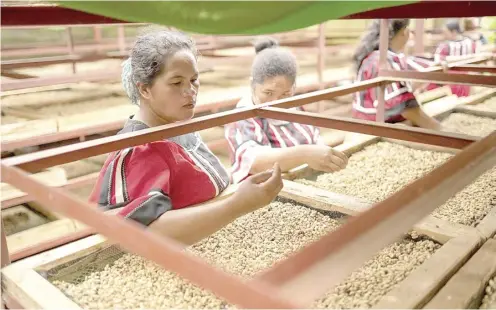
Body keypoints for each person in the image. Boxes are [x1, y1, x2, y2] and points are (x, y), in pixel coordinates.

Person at [89, 28, 283, 246]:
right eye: (176, 82)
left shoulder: (177, 126)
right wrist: (236, 205)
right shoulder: (139, 149)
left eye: (194, 79)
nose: (190, 90)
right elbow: (149, 232)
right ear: (144, 89)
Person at [224, 37, 348, 184]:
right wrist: (305, 154)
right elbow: (255, 162)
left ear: (294, 88)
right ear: (252, 85)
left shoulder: (296, 108)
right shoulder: (243, 117)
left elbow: (315, 139)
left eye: (285, 94)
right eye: (268, 93)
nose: (276, 102)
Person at [352, 19, 442, 129]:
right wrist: (439, 129)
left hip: (364, 121)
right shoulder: (384, 60)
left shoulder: (377, 56)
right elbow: (404, 107)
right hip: (374, 127)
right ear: (406, 32)